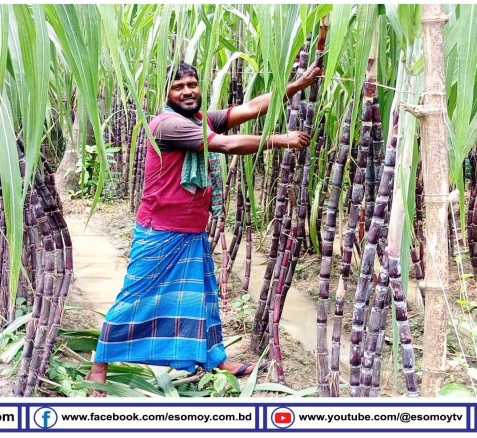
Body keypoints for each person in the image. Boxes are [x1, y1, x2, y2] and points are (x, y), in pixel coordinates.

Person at [85, 60, 322, 395]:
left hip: (190, 230)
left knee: (203, 299)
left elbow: (251, 108)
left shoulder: (200, 119)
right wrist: (281, 140)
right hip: (160, 231)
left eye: (192, 84)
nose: (187, 91)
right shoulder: (167, 125)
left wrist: (296, 85)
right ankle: (99, 365)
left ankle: (215, 358)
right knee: (134, 299)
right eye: (178, 87)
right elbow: (224, 145)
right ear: (166, 93)